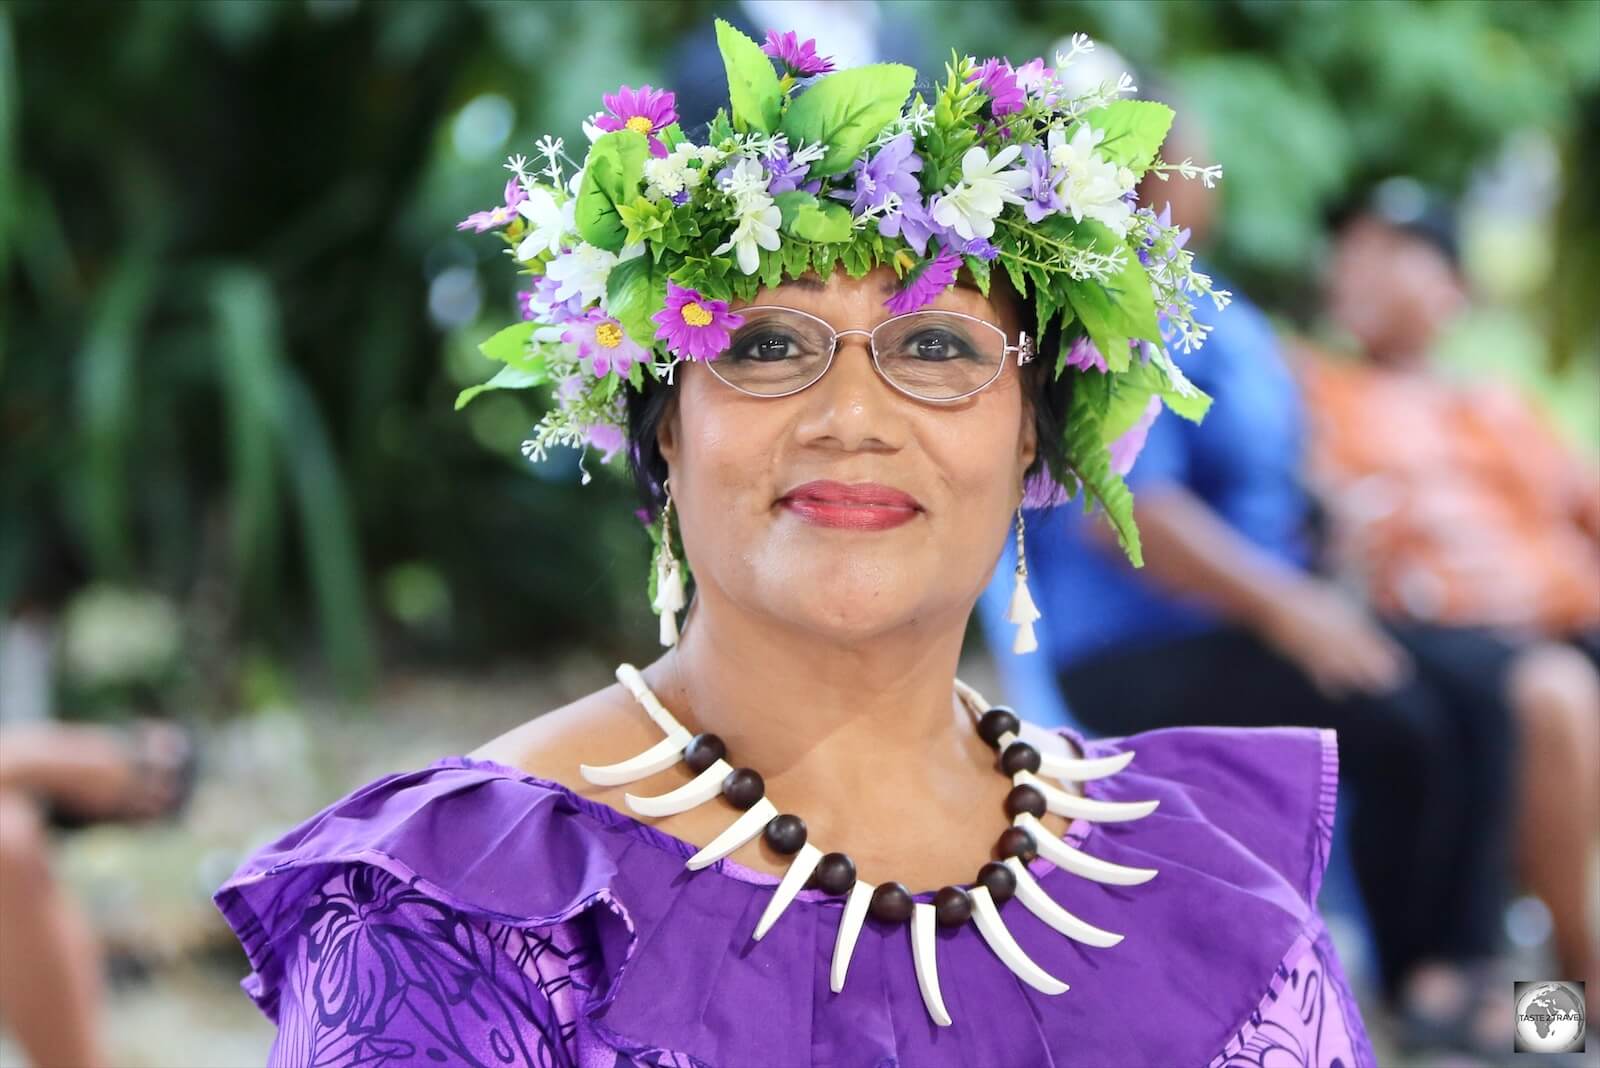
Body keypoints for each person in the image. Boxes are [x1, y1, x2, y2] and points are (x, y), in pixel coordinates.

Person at [215, 28, 1373, 1066]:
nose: (852, 417)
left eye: (936, 349)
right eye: (767, 345)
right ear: (666, 429)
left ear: (1036, 442)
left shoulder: (1200, 883)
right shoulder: (472, 911)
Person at [980, 121, 1525, 1058]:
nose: (1188, 176)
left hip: (1265, 621)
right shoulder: (1099, 310)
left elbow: (1272, 472)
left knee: (1488, 686)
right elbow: (1127, 514)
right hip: (1142, 647)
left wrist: (1327, 518)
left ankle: (1474, 970)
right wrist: (1291, 606)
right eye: (1166, 157)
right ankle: (1420, 982)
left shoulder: (1227, 313)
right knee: (1399, 714)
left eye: (1190, 157)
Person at [1296, 187, 1600, 1010]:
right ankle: (1579, 991)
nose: (1359, 268)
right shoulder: (1319, 388)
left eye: (1394, 251)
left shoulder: (1501, 404)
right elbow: (1323, 530)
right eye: (1351, 249)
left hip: (1569, 611)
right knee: (1555, 696)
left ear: (1452, 291)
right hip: (1458, 634)